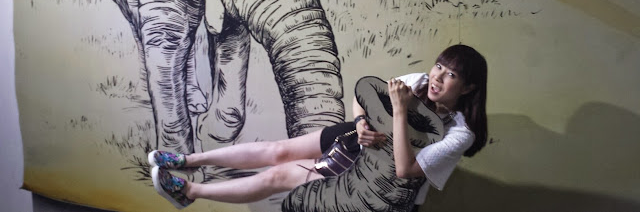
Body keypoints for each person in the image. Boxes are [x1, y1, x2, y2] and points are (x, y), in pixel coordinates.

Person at [149, 44, 488, 210]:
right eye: (439, 66)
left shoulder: (460, 133)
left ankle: (188, 192)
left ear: (469, 88)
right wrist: (360, 121)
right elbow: (363, 96)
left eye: (451, 75)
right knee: (277, 150)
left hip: (376, 182)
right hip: (357, 139)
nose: (438, 77)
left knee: (277, 177)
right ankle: (187, 160)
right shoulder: (418, 81)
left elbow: (405, 170)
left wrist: (399, 111)